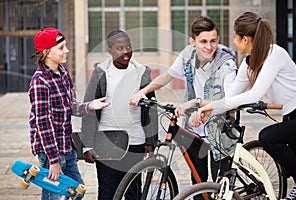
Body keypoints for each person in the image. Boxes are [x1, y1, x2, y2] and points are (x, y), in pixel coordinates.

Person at [189, 12, 296, 200]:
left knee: (268, 137)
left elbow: (254, 94)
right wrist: (210, 108)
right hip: (289, 116)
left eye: (235, 37)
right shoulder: (248, 63)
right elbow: (232, 95)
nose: (233, 42)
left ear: (245, 39)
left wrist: (214, 105)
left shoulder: (275, 54)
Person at [129, 16, 238, 186]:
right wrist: (142, 91)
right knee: (197, 181)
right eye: (203, 41)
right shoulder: (188, 54)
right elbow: (167, 76)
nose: (209, 47)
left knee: (220, 187)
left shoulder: (227, 66)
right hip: (194, 128)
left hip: (220, 130)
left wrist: (196, 102)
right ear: (192, 42)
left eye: (213, 41)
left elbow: (230, 102)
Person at [28, 28, 110, 200]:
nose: (66, 50)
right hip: (50, 151)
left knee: (77, 191)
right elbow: (43, 124)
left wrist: (89, 106)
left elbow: (70, 106)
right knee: (53, 196)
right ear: (46, 52)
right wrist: (54, 161)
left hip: (66, 146)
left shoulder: (63, 73)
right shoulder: (40, 82)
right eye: (61, 47)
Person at [80, 30, 158, 199]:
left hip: (136, 142)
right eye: (120, 47)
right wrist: (87, 145)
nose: (125, 51)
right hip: (107, 142)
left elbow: (151, 108)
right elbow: (89, 110)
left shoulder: (141, 73)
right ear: (110, 51)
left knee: (134, 193)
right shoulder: (101, 73)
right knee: (108, 192)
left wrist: (151, 140)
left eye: (128, 46)